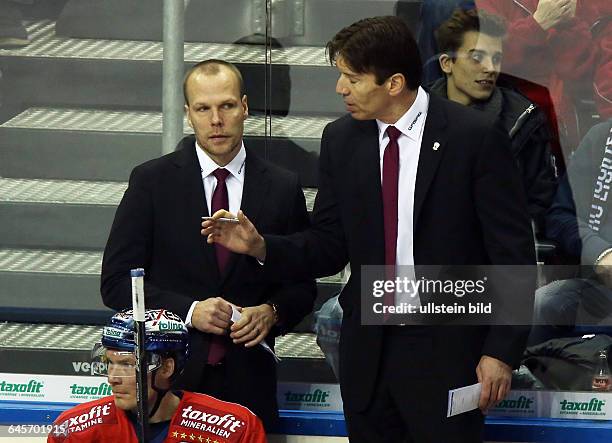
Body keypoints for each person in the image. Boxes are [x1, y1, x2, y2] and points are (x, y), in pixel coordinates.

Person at [203, 16, 536, 443]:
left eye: (352, 79)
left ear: (394, 83)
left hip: (449, 353)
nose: (341, 89)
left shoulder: (474, 137)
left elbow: (513, 255)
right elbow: (329, 244)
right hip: (369, 356)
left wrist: (500, 352)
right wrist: (261, 245)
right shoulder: (342, 139)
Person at [100, 59, 317, 429]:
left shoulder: (282, 186)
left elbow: (303, 284)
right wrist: (189, 310)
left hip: (249, 385)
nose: (216, 120)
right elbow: (117, 283)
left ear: (245, 108)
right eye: (203, 108)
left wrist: (273, 311)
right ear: (188, 114)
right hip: (169, 386)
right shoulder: (152, 182)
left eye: (227, 106)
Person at [47, 309, 266, 442]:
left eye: (126, 365)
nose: (112, 378)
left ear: (166, 368)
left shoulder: (233, 428)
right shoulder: (75, 430)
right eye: (109, 363)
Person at [431, 7, 556, 232]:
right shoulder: (415, 117)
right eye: (477, 57)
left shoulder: (524, 121)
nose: (490, 68)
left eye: (496, 58)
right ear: (446, 63)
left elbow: (540, 203)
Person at [528, 119, 612, 345]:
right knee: (540, 304)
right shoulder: (602, 139)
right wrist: (600, 253)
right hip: (601, 287)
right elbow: (561, 217)